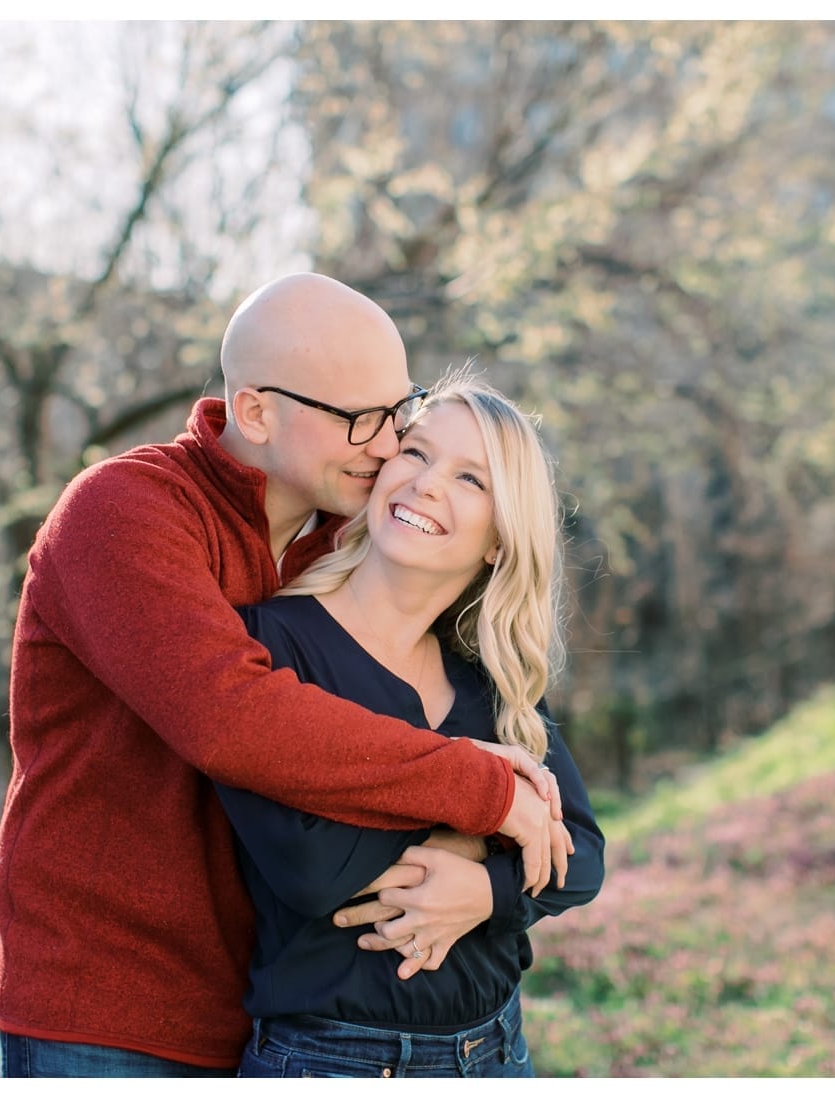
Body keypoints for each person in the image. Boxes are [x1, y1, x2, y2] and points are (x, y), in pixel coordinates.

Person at [0, 273, 568, 1077]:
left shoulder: (347, 544)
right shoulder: (123, 513)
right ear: (257, 411)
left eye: (400, 410)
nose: (389, 443)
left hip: (279, 1012)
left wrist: (485, 881)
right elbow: (233, 718)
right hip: (114, 1013)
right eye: (362, 419)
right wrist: (487, 792)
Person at [218, 373, 605, 1078]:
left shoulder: (486, 679)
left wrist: (482, 892)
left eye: (470, 479)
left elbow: (580, 855)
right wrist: (479, 805)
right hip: (328, 1060)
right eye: (417, 453)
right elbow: (311, 869)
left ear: (499, 539)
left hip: (495, 1051)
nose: (427, 484)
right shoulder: (274, 644)